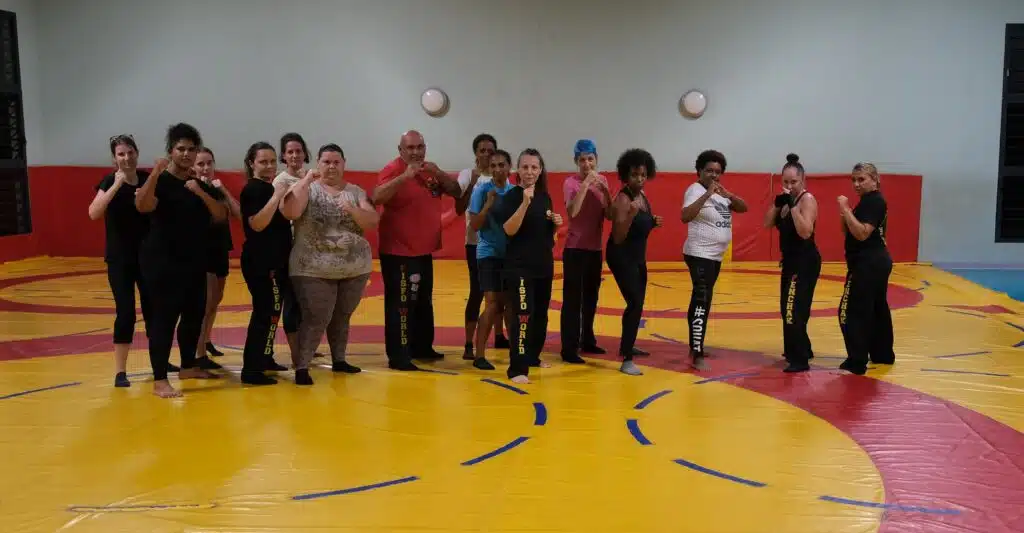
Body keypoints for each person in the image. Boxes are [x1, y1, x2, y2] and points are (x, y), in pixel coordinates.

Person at [135, 123, 226, 398]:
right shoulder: (159, 181)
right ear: (171, 151)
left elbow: (220, 215)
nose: (186, 154)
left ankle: (188, 365)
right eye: (181, 149)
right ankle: (160, 379)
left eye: (191, 149)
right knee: (164, 320)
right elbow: (142, 205)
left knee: (193, 316)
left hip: (193, 262)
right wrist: (154, 173)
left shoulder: (197, 184)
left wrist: (199, 192)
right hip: (162, 263)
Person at [280, 143, 376, 385]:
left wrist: (353, 210)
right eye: (326, 162)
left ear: (344, 164)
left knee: (342, 315)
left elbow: (372, 221)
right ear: (318, 164)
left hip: (354, 268)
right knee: (317, 317)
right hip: (312, 267)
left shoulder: (355, 191)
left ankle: (339, 359)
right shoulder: (306, 188)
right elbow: (290, 211)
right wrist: (305, 181)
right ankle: (302, 366)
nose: (331, 166)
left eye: (336, 162)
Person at [373, 130, 461, 371]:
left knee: (422, 302)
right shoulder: (393, 169)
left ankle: (422, 347)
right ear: (400, 150)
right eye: (410, 147)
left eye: (419, 147)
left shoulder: (429, 171)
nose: (415, 152)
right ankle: (399, 355)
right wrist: (404, 177)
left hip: (424, 249)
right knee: (401, 303)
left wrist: (439, 173)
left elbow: (456, 191)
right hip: (399, 250)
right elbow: (376, 197)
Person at [87, 134, 157, 387]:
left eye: (130, 152)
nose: (126, 158)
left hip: (148, 256)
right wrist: (116, 185)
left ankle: (158, 361)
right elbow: (94, 213)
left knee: (154, 311)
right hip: (120, 258)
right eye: (121, 154)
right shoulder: (109, 181)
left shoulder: (148, 179)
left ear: (137, 153)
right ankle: (120, 371)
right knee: (125, 312)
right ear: (114, 158)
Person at [491, 148, 563, 384]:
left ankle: (532, 356)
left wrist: (556, 225)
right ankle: (517, 368)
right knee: (522, 314)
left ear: (540, 170)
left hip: (543, 265)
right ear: (517, 170)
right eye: (525, 167)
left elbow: (549, 239)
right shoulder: (510, 197)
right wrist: (524, 203)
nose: (529, 171)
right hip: (519, 267)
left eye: (534, 167)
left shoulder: (545, 197)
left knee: (540, 315)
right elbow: (509, 230)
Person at [680, 149, 748, 370]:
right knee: (701, 299)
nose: (713, 175)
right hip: (699, 254)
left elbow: (743, 208)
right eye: (709, 170)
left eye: (717, 171)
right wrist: (707, 194)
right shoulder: (695, 190)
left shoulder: (720, 192)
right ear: (699, 171)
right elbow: (685, 216)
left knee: (704, 300)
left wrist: (728, 195)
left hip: (714, 257)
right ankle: (696, 354)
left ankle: (695, 344)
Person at [238, 142, 294, 385]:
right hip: (262, 264)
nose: (270, 166)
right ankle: (251, 369)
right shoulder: (254, 190)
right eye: (263, 162)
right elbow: (257, 224)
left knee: (273, 312)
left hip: (277, 262)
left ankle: (265, 356)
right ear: (252, 164)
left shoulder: (267, 187)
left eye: (273, 161)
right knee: (265, 313)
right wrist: (278, 195)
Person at [607, 148, 662, 376]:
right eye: (634, 175)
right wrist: (630, 215)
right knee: (634, 303)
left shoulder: (643, 197)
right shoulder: (623, 198)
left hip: (638, 256)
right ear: (625, 176)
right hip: (621, 256)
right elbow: (619, 237)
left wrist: (653, 221)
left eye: (642, 174)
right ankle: (626, 359)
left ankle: (627, 345)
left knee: (638, 302)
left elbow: (643, 224)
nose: (639, 179)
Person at [763, 153, 820, 373]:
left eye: (793, 182)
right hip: (790, 262)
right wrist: (778, 206)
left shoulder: (807, 199)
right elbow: (767, 224)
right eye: (785, 182)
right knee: (786, 307)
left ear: (803, 181)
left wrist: (793, 208)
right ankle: (800, 348)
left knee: (793, 309)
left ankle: (800, 360)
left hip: (805, 262)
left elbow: (806, 231)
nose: (789, 186)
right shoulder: (786, 201)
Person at [837, 162, 895, 375]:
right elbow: (849, 232)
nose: (856, 184)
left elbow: (862, 233)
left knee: (849, 311)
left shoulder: (874, 202)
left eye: (861, 179)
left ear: (875, 179)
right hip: (875, 261)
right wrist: (845, 214)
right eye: (853, 180)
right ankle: (882, 354)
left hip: (867, 263)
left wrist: (845, 209)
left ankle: (857, 359)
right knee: (877, 308)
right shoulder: (866, 203)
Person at [454, 133, 509, 360]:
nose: (486, 155)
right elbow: (459, 208)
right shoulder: (469, 176)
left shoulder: (505, 180)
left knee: (500, 291)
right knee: (477, 291)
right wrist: (475, 181)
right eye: (482, 151)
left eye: (490, 151)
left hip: (502, 245)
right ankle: (469, 343)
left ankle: (499, 335)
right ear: (476, 154)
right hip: (476, 244)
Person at [560, 139, 611, 364]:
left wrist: (606, 192)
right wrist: (585, 185)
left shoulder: (603, 180)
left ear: (596, 159)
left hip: (594, 249)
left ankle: (587, 339)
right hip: (575, 249)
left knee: (591, 298)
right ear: (576, 162)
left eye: (590, 159)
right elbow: (573, 212)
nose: (587, 164)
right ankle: (568, 348)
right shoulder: (570, 183)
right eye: (582, 160)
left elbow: (609, 215)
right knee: (573, 300)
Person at [465, 149, 516, 370]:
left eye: (501, 165)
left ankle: (517, 352)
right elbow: (474, 225)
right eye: (493, 166)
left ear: (509, 167)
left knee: (509, 305)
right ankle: (479, 355)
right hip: (488, 254)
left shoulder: (515, 192)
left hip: (510, 255)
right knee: (493, 304)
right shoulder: (482, 189)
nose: (497, 170)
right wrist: (487, 204)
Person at [193, 147, 238, 370]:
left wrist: (224, 190)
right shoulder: (191, 189)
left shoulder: (217, 188)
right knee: (206, 301)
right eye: (200, 164)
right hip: (203, 252)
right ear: (193, 166)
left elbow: (236, 214)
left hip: (221, 248)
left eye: (209, 163)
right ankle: (198, 353)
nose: (205, 168)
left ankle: (207, 340)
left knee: (216, 299)